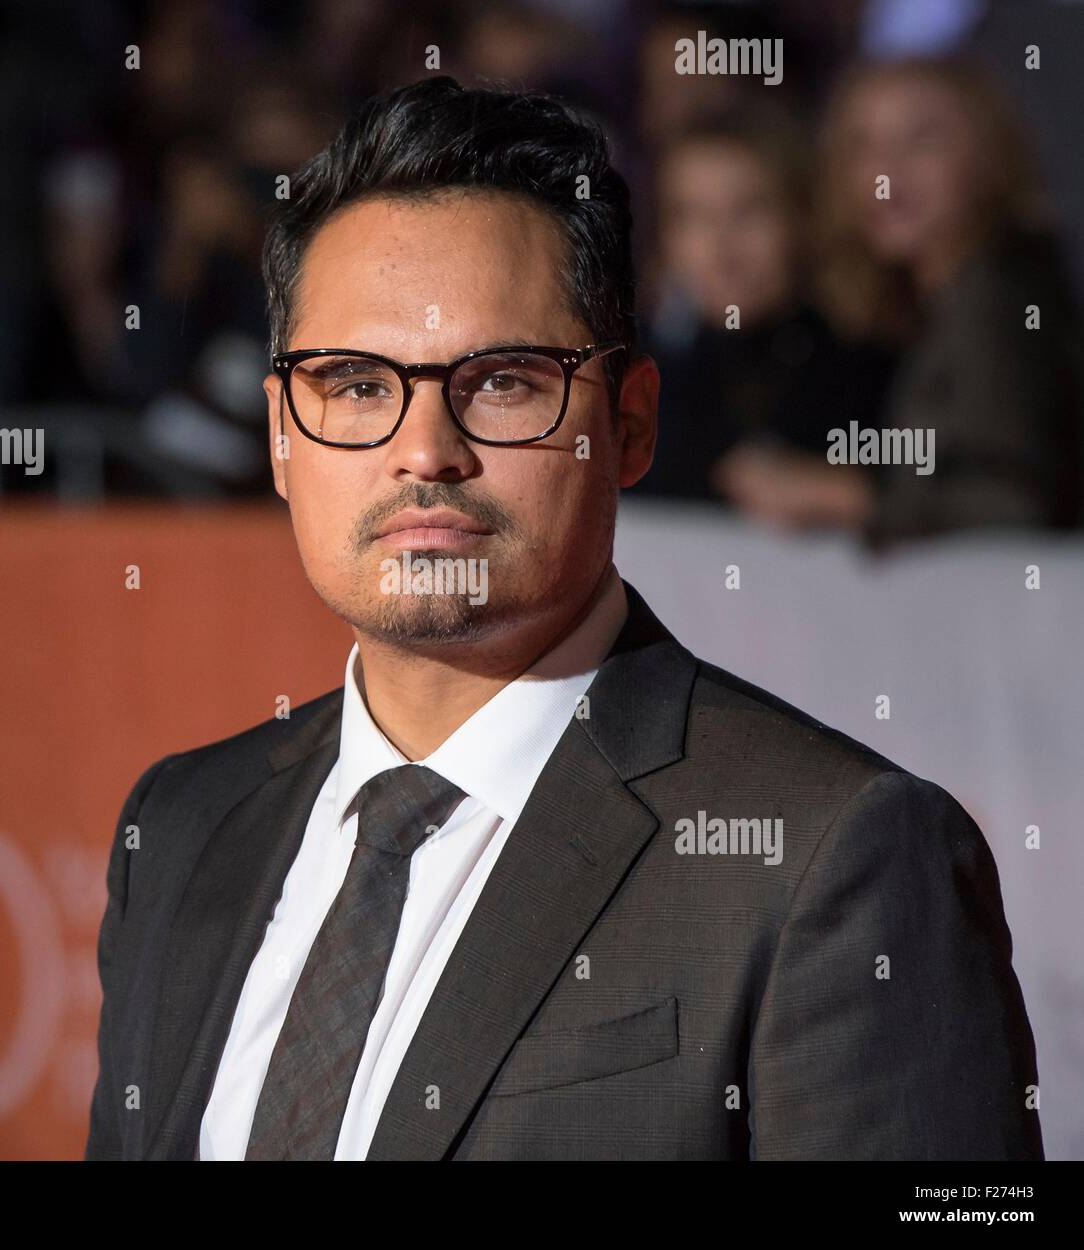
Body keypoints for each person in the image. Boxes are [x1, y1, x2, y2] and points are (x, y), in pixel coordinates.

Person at [85, 76, 1042, 1161]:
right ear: (279, 436)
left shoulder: (836, 857)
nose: (423, 449)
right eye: (353, 383)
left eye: (501, 381)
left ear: (628, 424)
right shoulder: (178, 824)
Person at [714, 56, 1083, 544]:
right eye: (863, 146)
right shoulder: (934, 302)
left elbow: (1011, 504)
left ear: (988, 157)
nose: (887, 173)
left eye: (922, 139)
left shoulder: (998, 301)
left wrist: (843, 495)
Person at [628, 106, 893, 504]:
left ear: (802, 219)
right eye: (692, 216)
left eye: (749, 210)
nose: (721, 247)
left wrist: (857, 495)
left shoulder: (868, 369)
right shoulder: (631, 368)